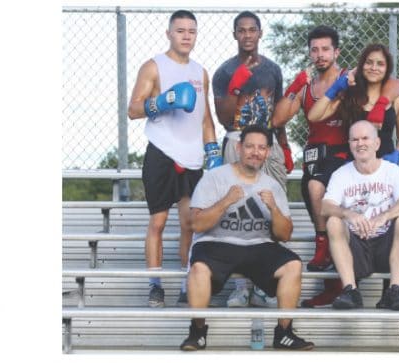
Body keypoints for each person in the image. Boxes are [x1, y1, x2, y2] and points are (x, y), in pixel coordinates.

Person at [272, 28, 399, 307]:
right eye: (315, 50)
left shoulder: (390, 93)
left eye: (326, 49)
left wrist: (395, 155)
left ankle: (393, 289)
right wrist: (318, 88)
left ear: (336, 52)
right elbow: (305, 115)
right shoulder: (349, 91)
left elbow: (395, 84)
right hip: (346, 163)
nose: (374, 67)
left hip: (382, 168)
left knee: (394, 221)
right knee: (321, 200)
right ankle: (339, 282)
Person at [180, 125, 314, 351]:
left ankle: (284, 333)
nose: (255, 152)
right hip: (216, 243)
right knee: (199, 268)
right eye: (250, 146)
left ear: (268, 152)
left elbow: (285, 235)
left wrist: (273, 209)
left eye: (261, 148)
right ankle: (197, 332)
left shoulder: (272, 186)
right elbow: (196, 224)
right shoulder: (214, 178)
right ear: (239, 147)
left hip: (257, 246)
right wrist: (226, 201)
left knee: (292, 264)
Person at [127, 10, 222, 308]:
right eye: (180, 30)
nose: (185, 36)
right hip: (162, 151)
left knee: (189, 223)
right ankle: (155, 285)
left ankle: (186, 283)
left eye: (191, 31)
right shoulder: (153, 66)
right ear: (169, 33)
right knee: (158, 221)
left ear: (196, 35)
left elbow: (205, 117)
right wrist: (162, 102)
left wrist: (213, 153)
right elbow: (133, 109)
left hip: (193, 156)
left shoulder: (200, 72)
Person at [211, 10, 289, 308]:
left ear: (260, 33)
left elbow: (278, 112)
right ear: (234, 34)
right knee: (239, 213)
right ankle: (241, 285)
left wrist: (284, 145)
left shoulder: (272, 69)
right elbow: (223, 117)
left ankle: (264, 283)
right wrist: (237, 84)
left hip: (267, 142)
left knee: (273, 207)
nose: (246, 35)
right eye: (241, 30)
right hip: (237, 139)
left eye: (251, 30)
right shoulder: (224, 71)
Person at [322, 121, 399, 311]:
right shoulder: (341, 174)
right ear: (349, 144)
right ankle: (350, 291)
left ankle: (395, 290)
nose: (360, 143)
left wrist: (384, 216)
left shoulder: (392, 171)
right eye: (354, 139)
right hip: (356, 248)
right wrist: (348, 214)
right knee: (333, 221)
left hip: (385, 248)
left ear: (377, 144)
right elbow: (325, 207)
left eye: (365, 138)